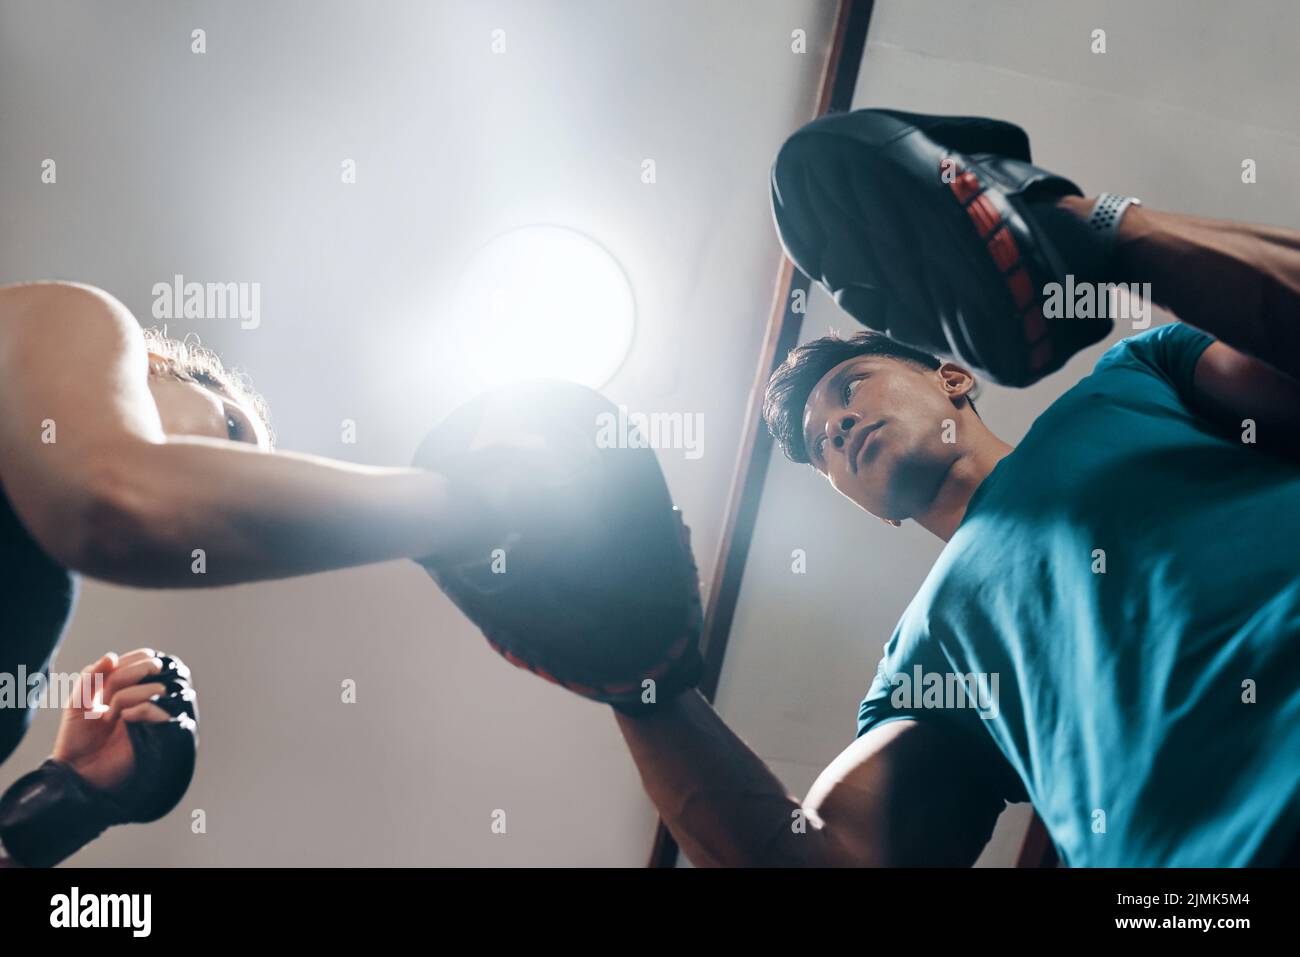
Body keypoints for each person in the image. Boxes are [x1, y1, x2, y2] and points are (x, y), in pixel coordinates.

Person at [607, 110, 1300, 866]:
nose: (836, 429)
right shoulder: (921, 659)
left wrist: (1090, 232)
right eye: (819, 446)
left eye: (850, 388)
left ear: (952, 374)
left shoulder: (1138, 377)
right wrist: (645, 686)